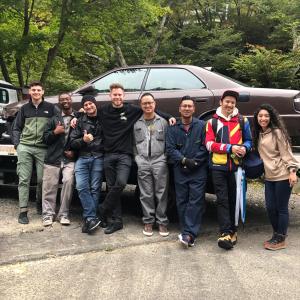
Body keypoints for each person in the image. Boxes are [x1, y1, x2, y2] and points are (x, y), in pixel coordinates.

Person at [96, 83, 175, 235]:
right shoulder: (106, 111)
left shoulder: (134, 111)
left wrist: (169, 116)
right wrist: (77, 115)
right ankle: (121, 221)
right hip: (116, 156)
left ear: (123, 95)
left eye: (119, 94)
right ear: (110, 95)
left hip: (138, 158)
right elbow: (89, 112)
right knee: (121, 190)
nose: (117, 97)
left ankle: (162, 222)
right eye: (114, 94)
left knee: (155, 191)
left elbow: (151, 111)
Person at [205, 90, 252, 250]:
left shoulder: (242, 120)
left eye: (232, 102)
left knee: (235, 200)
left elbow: (249, 141)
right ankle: (225, 232)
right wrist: (230, 148)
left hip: (236, 168)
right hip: (218, 166)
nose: (230, 105)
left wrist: (245, 148)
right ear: (221, 102)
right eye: (227, 102)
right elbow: (209, 145)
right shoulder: (212, 122)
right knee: (222, 199)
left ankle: (233, 231)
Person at [253, 104, 298, 250]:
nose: (263, 118)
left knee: (281, 208)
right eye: (260, 116)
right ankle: (276, 235)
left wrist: (292, 171)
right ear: (257, 118)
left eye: (266, 116)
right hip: (269, 177)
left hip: (282, 175)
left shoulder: (277, 132)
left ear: (271, 117)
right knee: (270, 208)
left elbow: (286, 153)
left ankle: (281, 238)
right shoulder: (259, 133)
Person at [11, 81, 56, 224]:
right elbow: (16, 128)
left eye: (38, 90)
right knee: (24, 179)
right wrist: (17, 145)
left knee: (42, 180)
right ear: (30, 92)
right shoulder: (24, 108)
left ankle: (39, 203)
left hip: (42, 148)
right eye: (33, 90)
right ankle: (23, 211)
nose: (36, 92)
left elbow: (59, 124)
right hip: (25, 147)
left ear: (43, 92)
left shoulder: (51, 108)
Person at [166, 95, 208, 248]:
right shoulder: (172, 128)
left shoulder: (202, 125)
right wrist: (184, 161)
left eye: (190, 106)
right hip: (180, 169)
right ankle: (186, 231)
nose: (187, 108)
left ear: (194, 109)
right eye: (184, 106)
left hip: (198, 169)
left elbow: (205, 147)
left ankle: (189, 234)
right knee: (182, 200)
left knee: (195, 201)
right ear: (180, 108)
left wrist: (194, 162)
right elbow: (170, 149)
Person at [133, 93, 169, 237]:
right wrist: (137, 158)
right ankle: (148, 221)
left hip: (159, 160)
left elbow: (168, 142)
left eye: (150, 103)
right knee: (145, 193)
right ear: (141, 105)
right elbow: (133, 144)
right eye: (144, 103)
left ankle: (162, 222)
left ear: (155, 104)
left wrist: (164, 158)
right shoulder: (136, 124)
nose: (147, 106)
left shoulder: (163, 122)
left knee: (161, 192)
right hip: (143, 161)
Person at [42, 93, 78, 226]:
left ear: (71, 100)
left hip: (69, 160)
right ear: (59, 102)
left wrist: (75, 152)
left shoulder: (79, 117)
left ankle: (63, 214)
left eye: (67, 99)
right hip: (53, 158)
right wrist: (54, 132)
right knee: (49, 187)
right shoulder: (53, 119)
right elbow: (44, 139)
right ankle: (48, 215)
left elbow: (83, 136)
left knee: (68, 182)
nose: (65, 101)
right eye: (62, 100)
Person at [70, 95, 104, 234]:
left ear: (95, 104)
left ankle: (89, 219)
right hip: (83, 157)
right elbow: (72, 143)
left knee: (95, 188)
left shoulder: (104, 118)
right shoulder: (79, 121)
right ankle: (92, 217)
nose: (89, 106)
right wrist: (83, 140)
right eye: (86, 105)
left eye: (91, 103)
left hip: (98, 157)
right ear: (83, 107)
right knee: (81, 186)